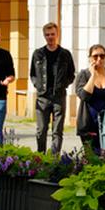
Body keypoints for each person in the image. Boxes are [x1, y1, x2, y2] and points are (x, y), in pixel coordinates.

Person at [29, 22, 75, 154]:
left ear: (57, 34)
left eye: (52, 34)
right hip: (42, 97)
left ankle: (54, 157)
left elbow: (71, 74)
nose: (50, 37)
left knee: (57, 131)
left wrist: (63, 85)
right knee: (41, 129)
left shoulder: (65, 54)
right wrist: (38, 85)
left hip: (59, 96)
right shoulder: (38, 54)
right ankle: (41, 156)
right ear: (44, 36)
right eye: (47, 35)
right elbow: (33, 74)